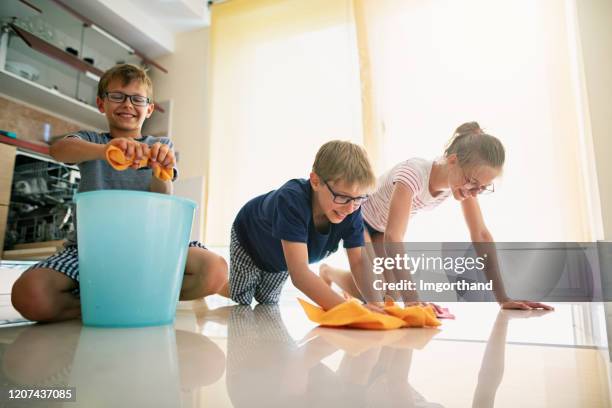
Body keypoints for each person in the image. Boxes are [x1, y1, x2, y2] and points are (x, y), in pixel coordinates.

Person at [11, 64, 228, 322]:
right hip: (90, 250)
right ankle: (106, 300)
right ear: (102, 104)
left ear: (149, 109)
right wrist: (105, 151)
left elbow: (163, 197)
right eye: (117, 96)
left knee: (215, 271)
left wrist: (160, 171)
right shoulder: (91, 140)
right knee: (29, 295)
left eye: (137, 99)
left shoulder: (160, 146)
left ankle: (132, 295)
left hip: (153, 247)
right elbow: (59, 150)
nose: (127, 104)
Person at [320, 122, 553, 310]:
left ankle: (334, 274)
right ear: (452, 162)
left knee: (391, 297)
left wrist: (502, 297)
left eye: (482, 188)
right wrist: (413, 299)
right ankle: (328, 272)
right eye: (472, 183)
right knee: (378, 293)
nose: (474, 192)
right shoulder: (412, 175)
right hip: (361, 219)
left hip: (381, 228)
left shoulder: (459, 184)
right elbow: (394, 236)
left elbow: (480, 234)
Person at [220, 140, 380, 311]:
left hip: (280, 259)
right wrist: (349, 310)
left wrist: (376, 304)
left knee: (267, 301)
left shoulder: (352, 208)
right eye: (342, 196)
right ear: (316, 181)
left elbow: (358, 263)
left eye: (359, 198)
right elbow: (300, 274)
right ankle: (215, 281)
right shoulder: (291, 200)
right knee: (242, 297)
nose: (350, 208)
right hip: (249, 240)